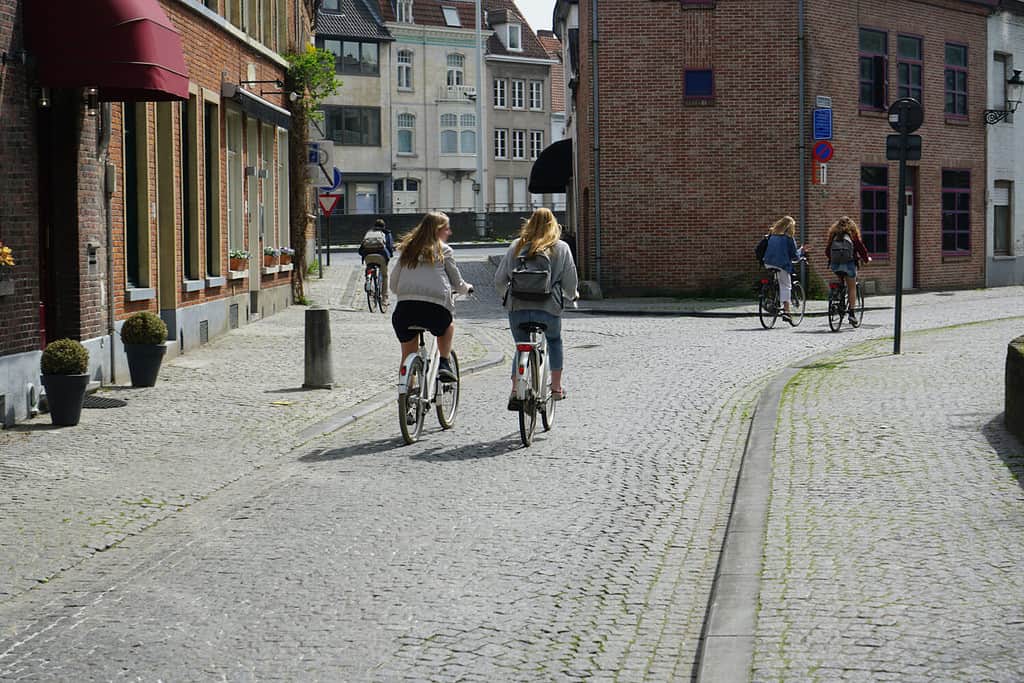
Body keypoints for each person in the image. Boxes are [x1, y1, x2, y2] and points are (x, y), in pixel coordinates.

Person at [494, 207, 579, 407]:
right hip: (548, 309)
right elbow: (569, 281)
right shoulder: (561, 247)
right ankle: (556, 388)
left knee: (520, 346)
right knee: (555, 341)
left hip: (518, 308)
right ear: (554, 225)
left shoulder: (516, 246)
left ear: (530, 224)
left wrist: (505, 297)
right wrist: (571, 295)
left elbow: (499, 280)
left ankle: (515, 390)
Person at [390, 212, 473, 384]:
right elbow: (458, 283)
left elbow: (393, 284)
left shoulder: (408, 250)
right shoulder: (445, 250)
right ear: (438, 230)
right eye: (447, 229)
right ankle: (443, 362)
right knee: (447, 326)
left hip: (405, 311)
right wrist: (467, 289)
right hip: (435, 310)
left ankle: (406, 396)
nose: (449, 233)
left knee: (407, 355)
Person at [824, 215, 871, 326]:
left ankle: (837, 298)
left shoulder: (834, 235)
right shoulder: (853, 235)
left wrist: (834, 259)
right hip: (849, 264)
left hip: (835, 266)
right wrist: (866, 259)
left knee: (841, 282)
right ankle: (852, 314)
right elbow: (861, 249)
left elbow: (827, 251)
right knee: (852, 287)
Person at [761, 215, 807, 326]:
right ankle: (786, 312)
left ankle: (771, 298)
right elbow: (795, 256)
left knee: (777, 282)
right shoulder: (789, 238)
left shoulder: (772, 235)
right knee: (786, 286)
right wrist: (801, 251)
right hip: (781, 265)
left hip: (768, 263)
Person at [358, 218, 395, 304]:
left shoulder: (369, 233)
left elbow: (361, 249)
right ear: (384, 226)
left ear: (374, 226)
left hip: (368, 256)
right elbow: (389, 246)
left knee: (369, 268)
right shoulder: (386, 233)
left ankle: (368, 280)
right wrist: (390, 255)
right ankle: (384, 298)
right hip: (380, 256)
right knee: (385, 276)